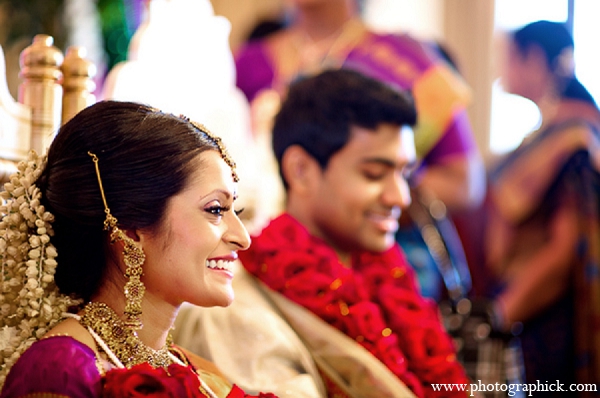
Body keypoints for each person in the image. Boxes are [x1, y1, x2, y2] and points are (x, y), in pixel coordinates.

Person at [174, 69, 471, 397]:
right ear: (300, 170)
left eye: (404, 173)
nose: (400, 196)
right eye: (374, 174)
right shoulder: (237, 313)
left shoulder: (386, 277)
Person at [0, 100, 277, 397]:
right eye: (215, 209)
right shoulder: (60, 372)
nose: (242, 238)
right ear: (131, 231)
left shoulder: (197, 373)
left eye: (237, 209)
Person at [233, 0, 485, 300]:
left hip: (376, 260)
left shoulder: (406, 60)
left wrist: (373, 189)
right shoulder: (248, 62)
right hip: (264, 247)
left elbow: (464, 182)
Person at [484, 20, 600, 389]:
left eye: (509, 58)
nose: (501, 71)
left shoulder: (574, 139)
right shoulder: (553, 130)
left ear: (534, 59)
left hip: (548, 318)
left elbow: (568, 247)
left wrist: (502, 315)